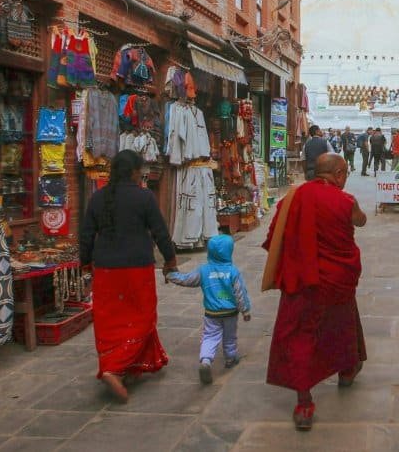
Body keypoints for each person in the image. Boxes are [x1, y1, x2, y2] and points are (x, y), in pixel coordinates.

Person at [262, 154, 367, 431]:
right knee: (341, 325)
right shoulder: (345, 201)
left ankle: (304, 402)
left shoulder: (292, 198)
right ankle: (347, 370)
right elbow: (361, 221)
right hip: (336, 280)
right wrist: (355, 206)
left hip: (302, 281)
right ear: (340, 173)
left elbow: (275, 237)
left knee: (302, 335)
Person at [79, 150, 178, 402]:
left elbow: (86, 234)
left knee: (110, 319)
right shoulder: (144, 197)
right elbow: (160, 232)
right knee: (141, 318)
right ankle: (113, 369)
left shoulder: (98, 198)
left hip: (105, 269)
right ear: (134, 172)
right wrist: (170, 259)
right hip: (137, 268)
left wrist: (84, 263)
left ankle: (124, 367)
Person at [166, 234, 252, 385]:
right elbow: (241, 293)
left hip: (211, 313)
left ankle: (206, 360)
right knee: (230, 337)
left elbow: (187, 280)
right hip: (230, 313)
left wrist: (171, 275)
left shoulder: (204, 270)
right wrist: (245, 310)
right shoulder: (233, 272)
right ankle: (230, 358)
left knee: (209, 336)